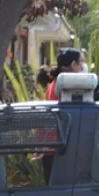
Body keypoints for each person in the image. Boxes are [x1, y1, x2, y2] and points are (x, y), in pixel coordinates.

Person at [34, 47, 88, 180]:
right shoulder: (65, 84)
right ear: (73, 64)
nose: (83, 66)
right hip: (58, 147)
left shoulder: (57, 82)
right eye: (81, 62)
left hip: (53, 146)